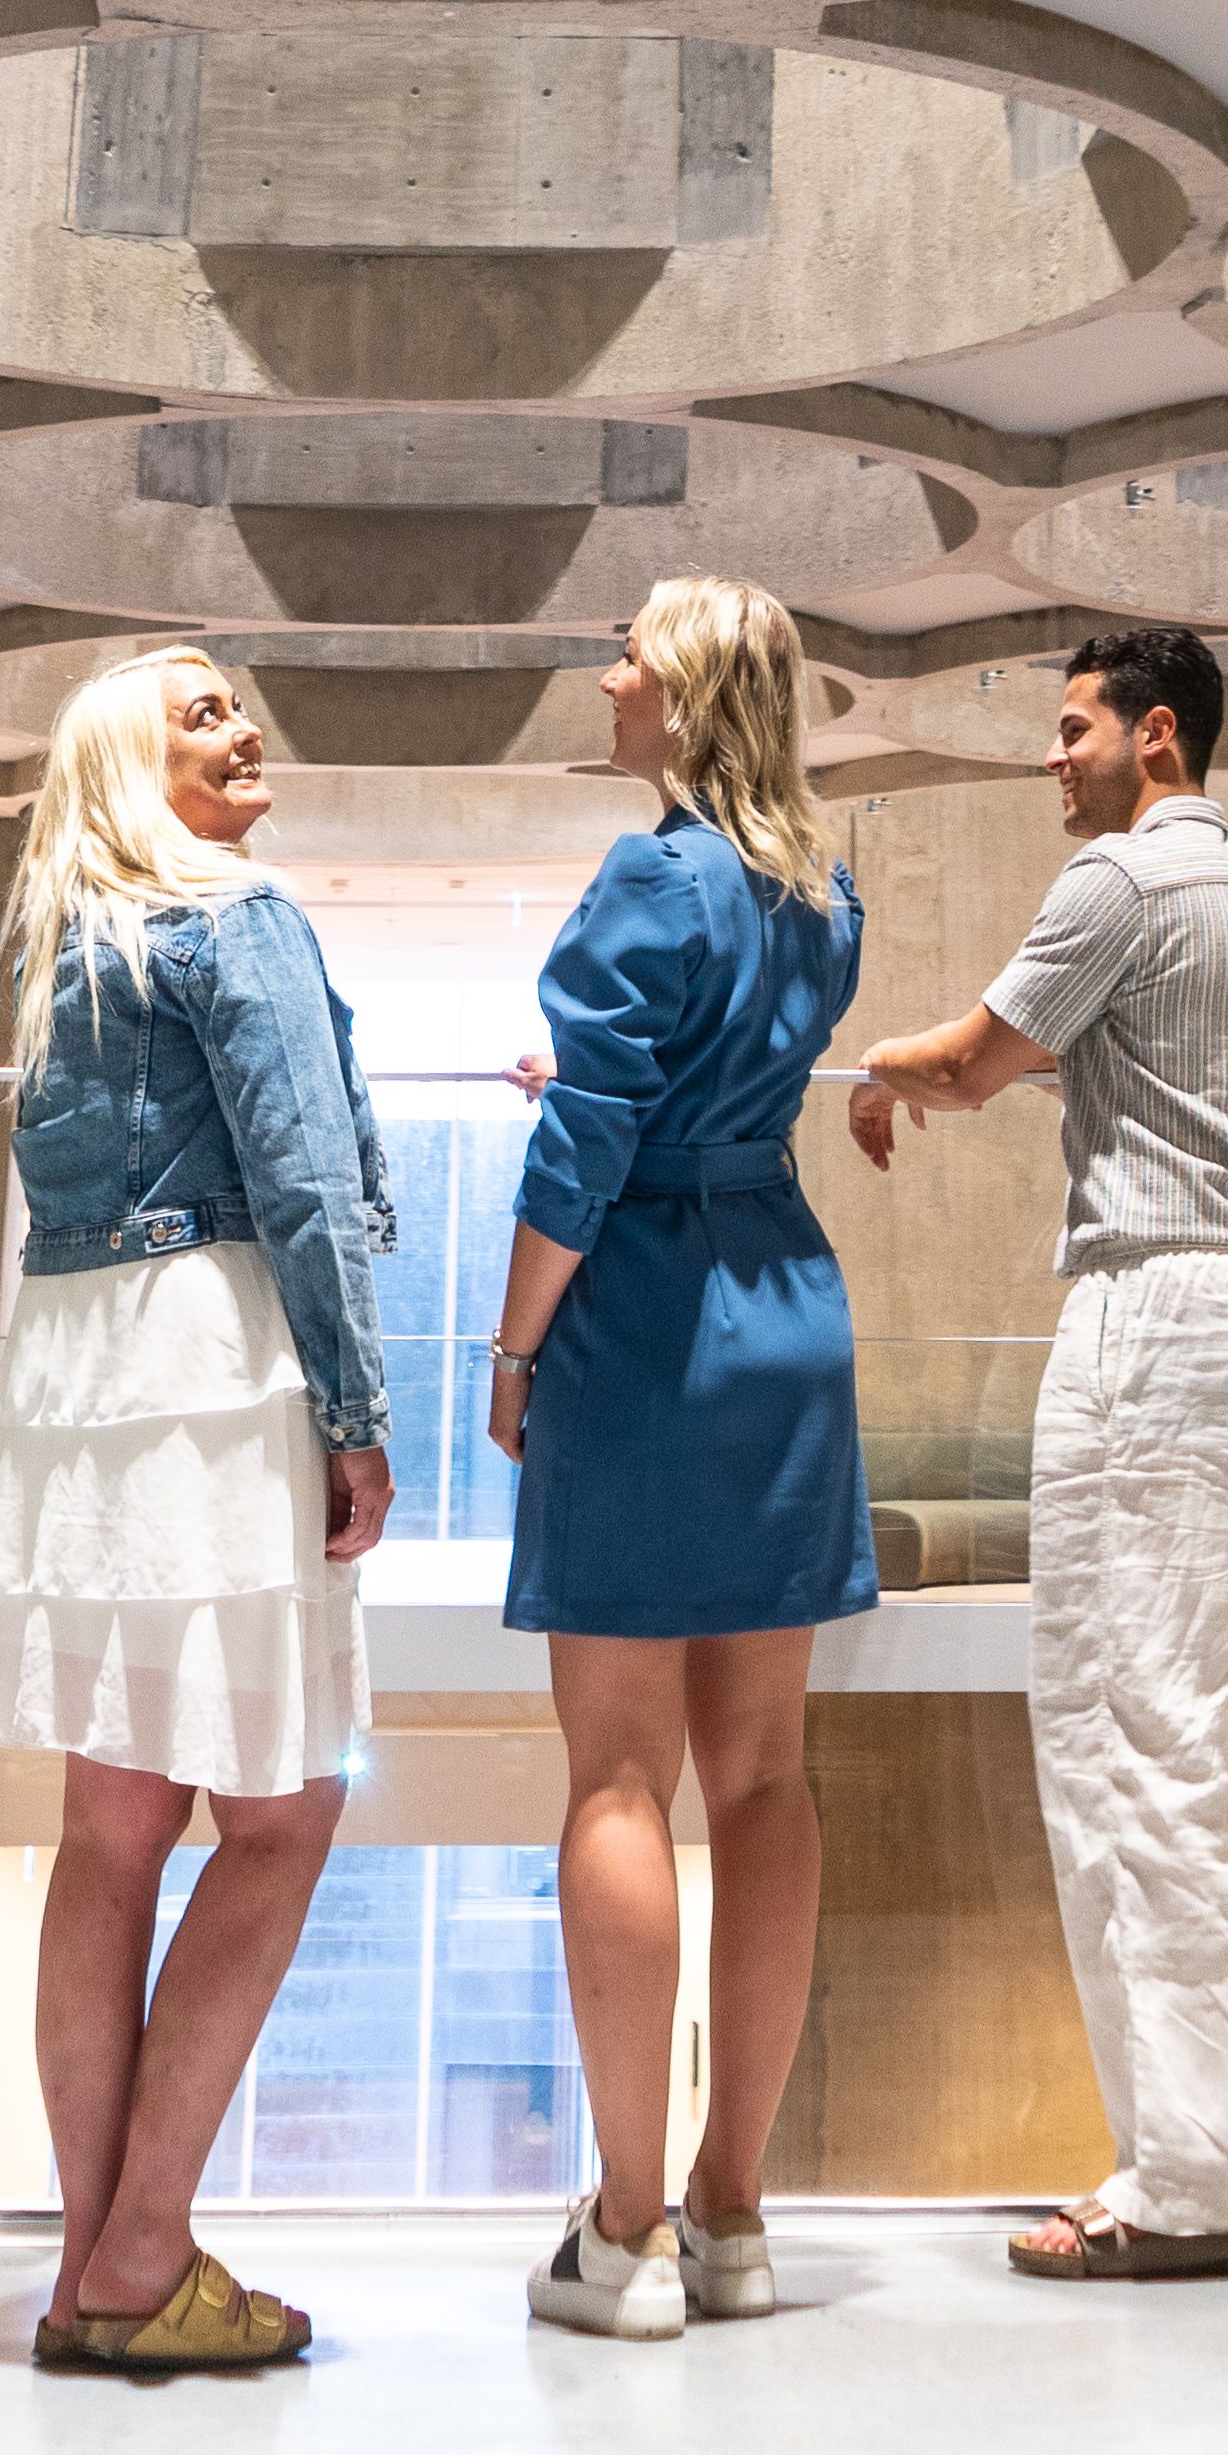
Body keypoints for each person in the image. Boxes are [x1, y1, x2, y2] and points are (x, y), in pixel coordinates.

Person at [850, 624, 1228, 2285]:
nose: (1051, 758)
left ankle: (1184, 2179)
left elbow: (971, 1062)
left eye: (1072, 729)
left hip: (1161, 1317)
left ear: (1156, 735)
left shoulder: (1117, 881)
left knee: (1136, 1745)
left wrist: (873, 1067)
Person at [0, 646, 400, 2381]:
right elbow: (301, 1172)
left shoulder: (73, 943)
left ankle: (92, 2268)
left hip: (82, 1377)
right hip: (214, 1359)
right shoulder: (237, 913)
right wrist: (356, 1412)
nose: (241, 724)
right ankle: (144, 2247)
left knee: (112, 1831)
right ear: (126, 765)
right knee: (283, 1817)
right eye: (199, 711)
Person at [487, 576, 875, 2343]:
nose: (609, 676)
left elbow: (584, 1154)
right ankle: (734, 2212)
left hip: (646, 1323)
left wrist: (512, 1351)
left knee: (618, 1778)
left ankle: (625, 2231)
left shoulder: (648, 878)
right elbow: (707, 1086)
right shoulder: (821, 887)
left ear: (693, 691)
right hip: (784, 1306)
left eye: (631, 652)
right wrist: (597, 1087)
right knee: (765, 1777)